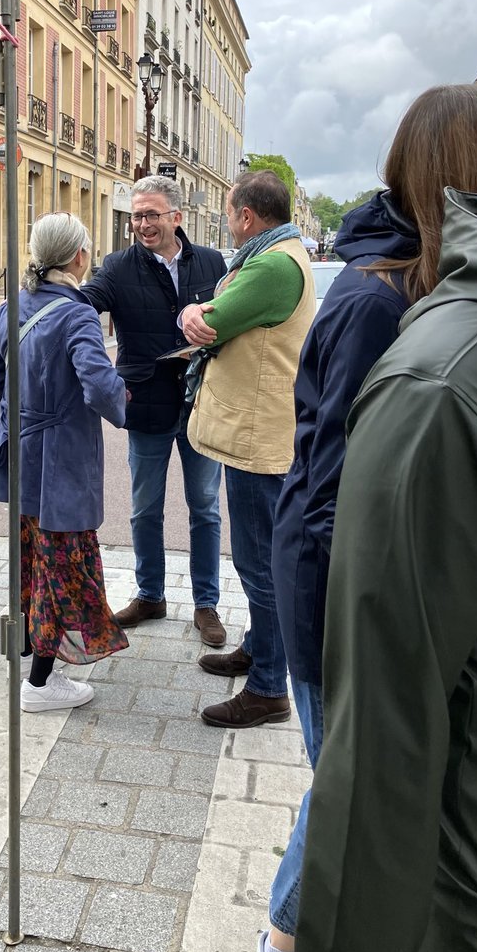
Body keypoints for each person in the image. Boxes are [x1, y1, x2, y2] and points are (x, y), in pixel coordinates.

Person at [249, 83, 477, 952]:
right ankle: (284, 948)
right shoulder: (379, 301)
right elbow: (339, 490)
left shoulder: (415, 284)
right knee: (345, 783)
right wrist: (335, 635)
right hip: (337, 590)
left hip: (336, 581)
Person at [0, 212, 129, 712]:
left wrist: (17, 410)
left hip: (20, 453)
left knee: (31, 558)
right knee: (62, 565)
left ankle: (25, 649)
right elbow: (99, 384)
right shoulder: (78, 313)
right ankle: (40, 684)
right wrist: (123, 401)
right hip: (62, 459)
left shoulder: (11, 306)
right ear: (79, 256)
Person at [181, 171, 315, 729]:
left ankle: (266, 689)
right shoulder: (282, 255)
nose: (229, 223)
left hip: (259, 439)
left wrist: (192, 312)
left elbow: (211, 323)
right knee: (261, 560)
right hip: (260, 432)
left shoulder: (270, 265)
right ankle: (260, 652)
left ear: (245, 217)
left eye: (230, 213)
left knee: (260, 566)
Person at [84, 176, 227, 647]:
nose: (142, 224)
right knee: (145, 509)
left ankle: (206, 604)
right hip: (145, 406)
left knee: (205, 509)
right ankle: (151, 595)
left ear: (176, 218)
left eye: (151, 214)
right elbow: (86, 302)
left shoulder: (212, 262)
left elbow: (230, 319)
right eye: (136, 216)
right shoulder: (117, 267)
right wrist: (44, 297)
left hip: (201, 404)